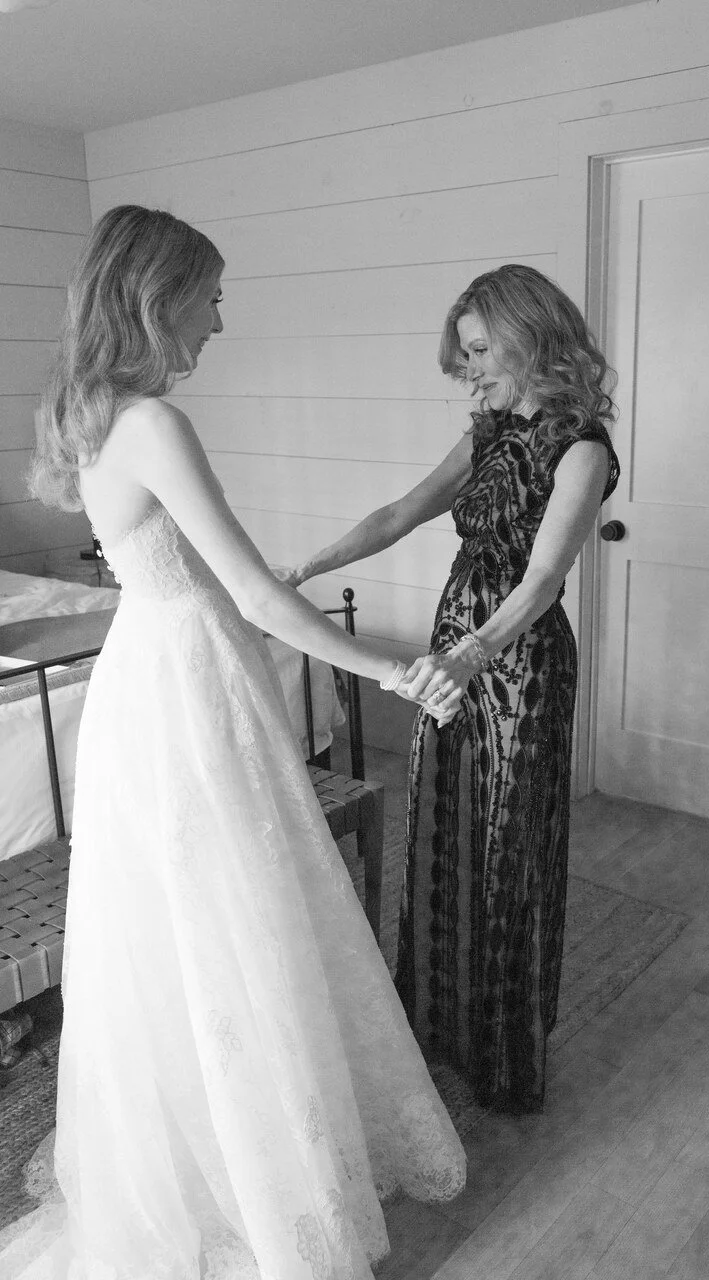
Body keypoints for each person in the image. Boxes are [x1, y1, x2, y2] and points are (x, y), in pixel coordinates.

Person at [0, 205, 465, 1279]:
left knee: (186, 930)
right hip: (184, 683)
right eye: (209, 294)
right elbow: (252, 593)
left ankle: (215, 1147)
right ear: (157, 298)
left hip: (143, 683)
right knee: (235, 921)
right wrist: (392, 668)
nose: (220, 315)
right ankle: (259, 1178)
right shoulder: (154, 424)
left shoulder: (91, 415)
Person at [289, 264, 620, 1112]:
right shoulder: (486, 434)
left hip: (517, 666)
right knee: (439, 827)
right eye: (464, 353)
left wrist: (469, 656)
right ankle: (435, 1024)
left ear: (529, 336)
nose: (467, 370)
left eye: (478, 351)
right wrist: (306, 566)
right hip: (453, 657)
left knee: (506, 850)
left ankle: (502, 1058)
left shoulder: (580, 450)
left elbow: (543, 581)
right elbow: (401, 512)